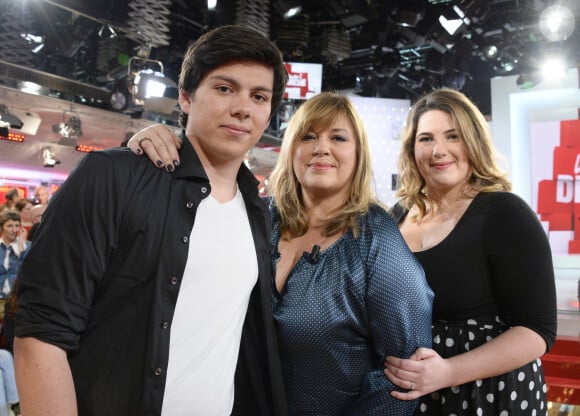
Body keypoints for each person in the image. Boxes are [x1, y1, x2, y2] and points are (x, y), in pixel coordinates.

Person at [14, 24, 289, 416]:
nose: (243, 107)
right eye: (225, 88)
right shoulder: (113, 176)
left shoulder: (259, 214)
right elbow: (41, 334)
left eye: (258, 96)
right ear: (185, 97)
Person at [128, 92, 434, 415]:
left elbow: (402, 377)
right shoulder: (257, 216)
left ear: (358, 154)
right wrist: (149, 142)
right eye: (308, 136)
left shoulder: (376, 237)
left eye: (338, 137)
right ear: (291, 150)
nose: (321, 148)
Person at [384, 88, 557, 415]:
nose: (439, 150)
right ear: (411, 149)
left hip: (489, 396)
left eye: (453, 136)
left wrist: (447, 372)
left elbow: (537, 331)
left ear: (474, 142)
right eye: (425, 139)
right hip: (412, 398)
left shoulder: (504, 212)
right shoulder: (396, 217)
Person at [0, 211, 29, 297]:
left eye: (17, 226)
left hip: (18, 297)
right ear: (1, 228)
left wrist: (21, 249)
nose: (14, 230)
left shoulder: (27, 246)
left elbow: (26, 273)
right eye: (9, 226)